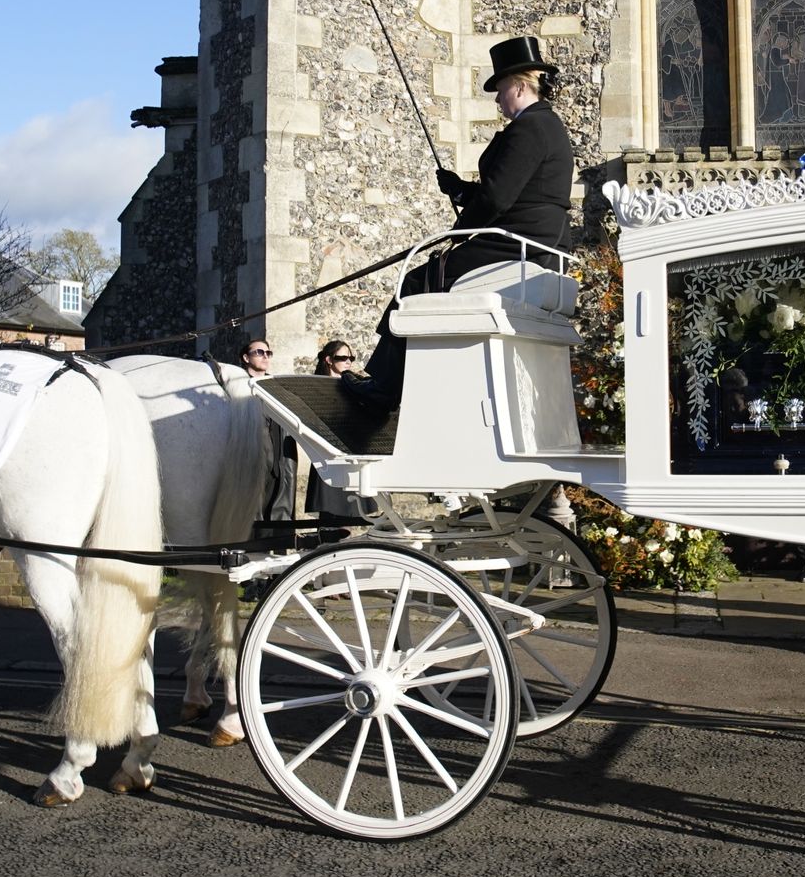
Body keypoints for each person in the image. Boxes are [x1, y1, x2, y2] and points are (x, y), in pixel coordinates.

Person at [341, 36, 576, 414]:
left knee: (419, 281)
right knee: (429, 275)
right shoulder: (546, 125)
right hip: (536, 236)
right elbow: (514, 189)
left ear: (518, 84)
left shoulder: (529, 128)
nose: (497, 100)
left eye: (500, 90)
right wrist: (462, 191)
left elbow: (499, 199)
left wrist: (459, 232)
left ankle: (385, 387)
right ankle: (395, 380)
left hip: (518, 240)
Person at [305, 340, 363, 535]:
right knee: (329, 509)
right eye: (342, 358)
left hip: (350, 451)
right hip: (326, 453)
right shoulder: (315, 386)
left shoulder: (356, 384)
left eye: (350, 358)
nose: (348, 362)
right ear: (329, 360)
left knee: (349, 508)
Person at [242, 338, 299, 525]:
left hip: (279, 457)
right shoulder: (239, 387)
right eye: (259, 352)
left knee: (279, 504)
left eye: (268, 353)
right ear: (246, 357)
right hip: (252, 458)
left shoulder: (278, 387)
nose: (265, 356)